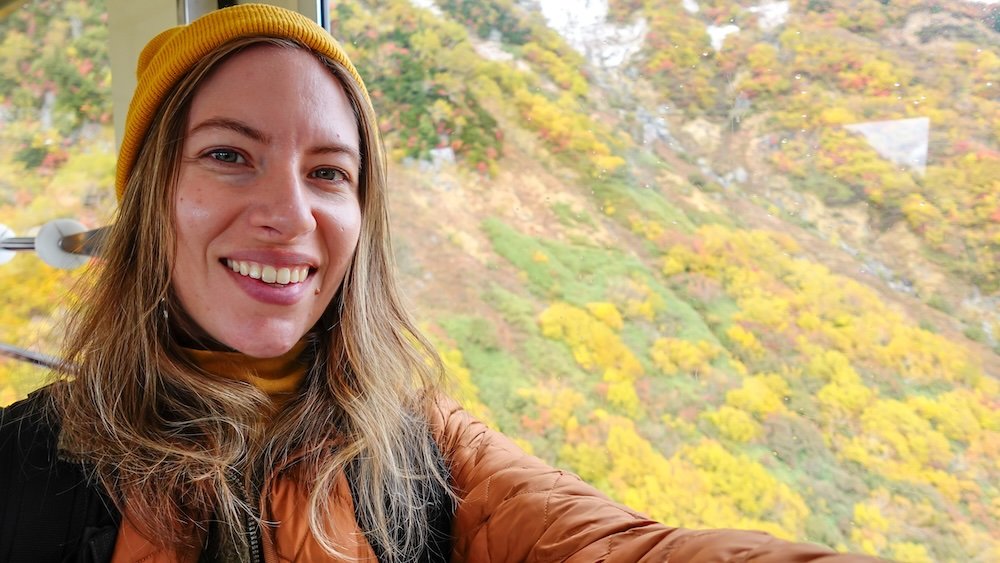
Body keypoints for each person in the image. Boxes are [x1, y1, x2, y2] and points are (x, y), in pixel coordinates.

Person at [0, 4, 881, 562]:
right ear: (153, 198)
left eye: (330, 173)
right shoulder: (21, 468)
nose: (290, 212)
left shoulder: (423, 453)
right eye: (229, 155)